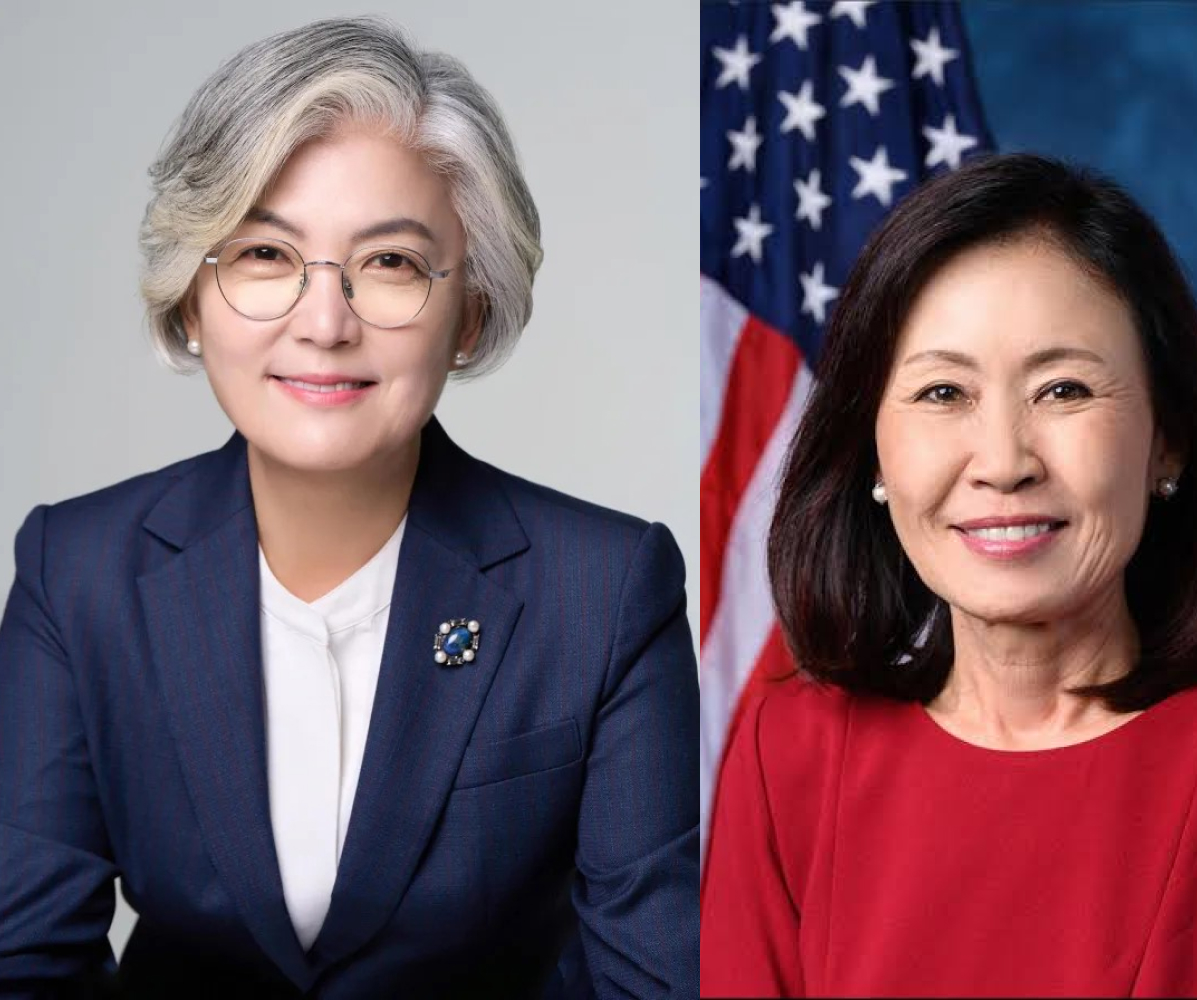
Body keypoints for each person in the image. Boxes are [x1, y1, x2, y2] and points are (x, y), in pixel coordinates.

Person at [0, 17, 698, 999]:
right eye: (264, 254)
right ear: (191, 299)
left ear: (470, 313)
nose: (324, 323)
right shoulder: (77, 571)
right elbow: (23, 963)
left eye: (391, 263)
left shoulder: (606, 591)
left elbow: (651, 980)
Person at [700, 153, 1197, 998]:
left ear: (1167, 442)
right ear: (871, 451)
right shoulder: (788, 757)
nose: (1003, 463)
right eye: (943, 393)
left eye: (1063, 390)